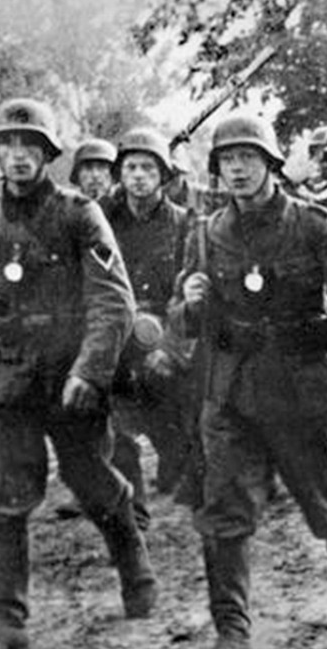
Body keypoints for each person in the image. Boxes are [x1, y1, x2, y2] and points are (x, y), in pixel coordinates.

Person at [170, 113, 327, 647]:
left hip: (302, 391)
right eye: (227, 160)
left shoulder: (312, 224)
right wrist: (189, 305)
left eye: (248, 158)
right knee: (224, 513)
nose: (238, 169)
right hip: (232, 393)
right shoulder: (206, 232)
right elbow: (181, 317)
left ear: (270, 164)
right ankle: (233, 627)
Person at [0, 98, 153, 649]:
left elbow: (114, 301)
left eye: (30, 148)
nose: (19, 157)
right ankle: (8, 617)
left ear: (46, 155)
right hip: (3, 379)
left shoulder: (77, 213)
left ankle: (135, 566)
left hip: (67, 378)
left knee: (91, 482)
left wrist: (90, 371)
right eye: (8, 148)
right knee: (0, 498)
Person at [99, 127, 194, 529]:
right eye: (131, 167)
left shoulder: (184, 224)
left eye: (148, 168)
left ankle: (183, 467)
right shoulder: (101, 222)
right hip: (119, 336)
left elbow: (190, 290)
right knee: (116, 428)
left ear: (163, 176)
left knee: (171, 428)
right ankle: (132, 511)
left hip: (167, 339)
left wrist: (170, 348)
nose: (139, 176)